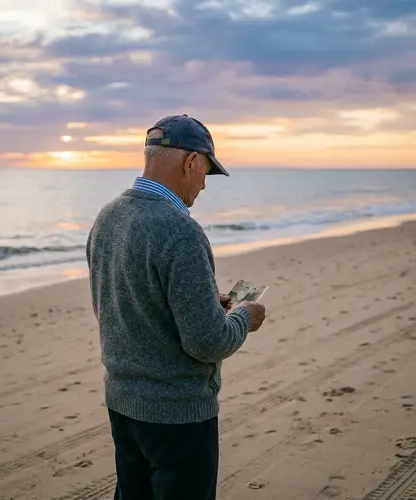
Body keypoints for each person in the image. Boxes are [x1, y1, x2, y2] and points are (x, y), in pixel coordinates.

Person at [86, 114, 266, 500]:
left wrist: (203, 302)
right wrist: (243, 317)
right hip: (176, 414)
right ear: (190, 163)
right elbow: (207, 343)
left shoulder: (108, 217)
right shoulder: (180, 230)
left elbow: (122, 303)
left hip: (122, 402)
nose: (203, 185)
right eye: (206, 173)